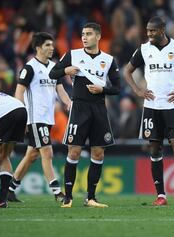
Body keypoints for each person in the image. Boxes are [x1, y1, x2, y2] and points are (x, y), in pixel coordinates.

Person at [124, 16, 174, 206]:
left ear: (162, 29)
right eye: (147, 30)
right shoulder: (144, 49)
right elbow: (127, 71)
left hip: (172, 107)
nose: (149, 34)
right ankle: (161, 195)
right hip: (151, 107)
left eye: (152, 31)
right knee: (154, 148)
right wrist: (137, 90)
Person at [49, 22, 120, 208]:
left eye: (88, 34)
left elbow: (117, 88)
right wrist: (65, 70)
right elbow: (52, 72)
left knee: (98, 151)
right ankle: (68, 197)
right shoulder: (73, 55)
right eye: (82, 34)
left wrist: (102, 89)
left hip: (98, 108)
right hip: (79, 108)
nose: (84, 37)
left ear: (98, 36)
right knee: (74, 150)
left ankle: (91, 197)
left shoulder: (109, 60)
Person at [7, 32, 71, 202]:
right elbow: (19, 92)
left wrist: (69, 103)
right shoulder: (29, 68)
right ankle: (57, 192)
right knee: (47, 152)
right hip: (34, 118)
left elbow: (60, 90)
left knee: (31, 155)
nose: (52, 48)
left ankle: (10, 189)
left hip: (48, 118)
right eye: (48, 45)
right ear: (38, 48)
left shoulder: (53, 67)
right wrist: (20, 116)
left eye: (52, 45)